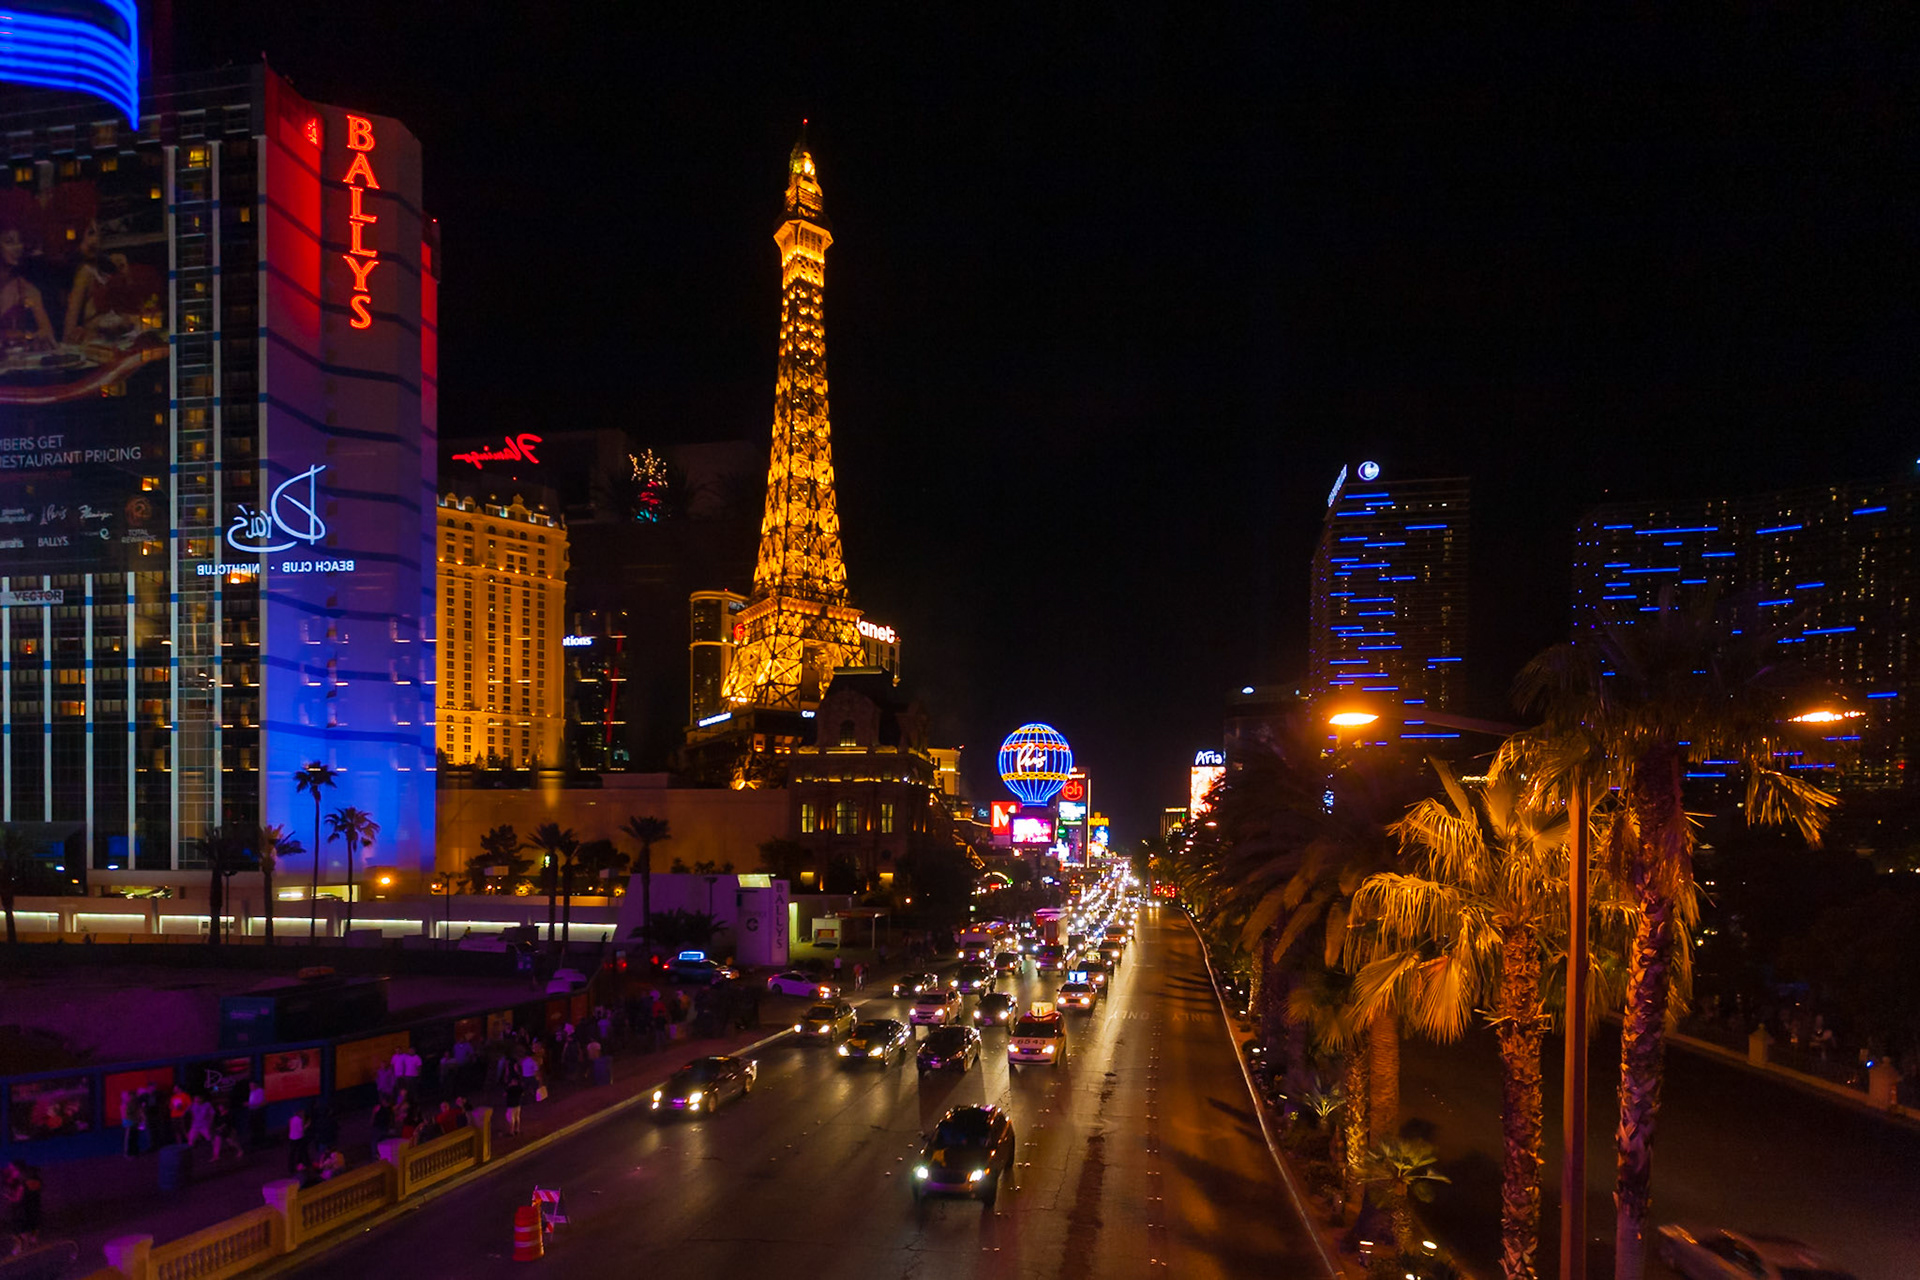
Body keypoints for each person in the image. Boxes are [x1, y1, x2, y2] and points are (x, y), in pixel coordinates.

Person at [4, 1160, 43, 1251]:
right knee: (31, 1227)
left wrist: (9, 1197)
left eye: (13, 1170)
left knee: (23, 1228)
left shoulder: (23, 1183)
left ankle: (25, 1246)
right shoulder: (32, 1180)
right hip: (32, 1209)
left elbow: (18, 1198)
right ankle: (31, 1244)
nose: (11, 1172)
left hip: (24, 1210)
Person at [286, 1109, 309, 1176]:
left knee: (292, 1154)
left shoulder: (291, 1119)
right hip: (298, 1138)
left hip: (291, 1138)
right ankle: (302, 1165)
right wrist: (306, 1126)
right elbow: (301, 1130)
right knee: (301, 1152)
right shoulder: (300, 1120)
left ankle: (291, 1168)